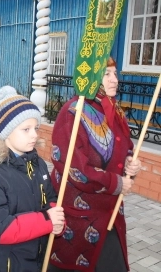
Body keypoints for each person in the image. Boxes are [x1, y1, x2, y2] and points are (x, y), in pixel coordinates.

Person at [48, 57, 142, 272]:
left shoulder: (113, 110)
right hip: (80, 218)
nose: (114, 80)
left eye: (115, 74)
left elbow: (124, 146)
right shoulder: (73, 112)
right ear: (91, 78)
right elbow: (75, 169)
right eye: (107, 74)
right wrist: (116, 183)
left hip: (110, 212)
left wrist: (130, 162)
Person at [0, 86, 65, 272]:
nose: (35, 134)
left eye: (36, 128)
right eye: (26, 129)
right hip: (10, 263)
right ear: (6, 132)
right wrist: (47, 220)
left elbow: (50, 197)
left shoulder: (37, 163)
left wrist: (57, 218)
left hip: (38, 256)